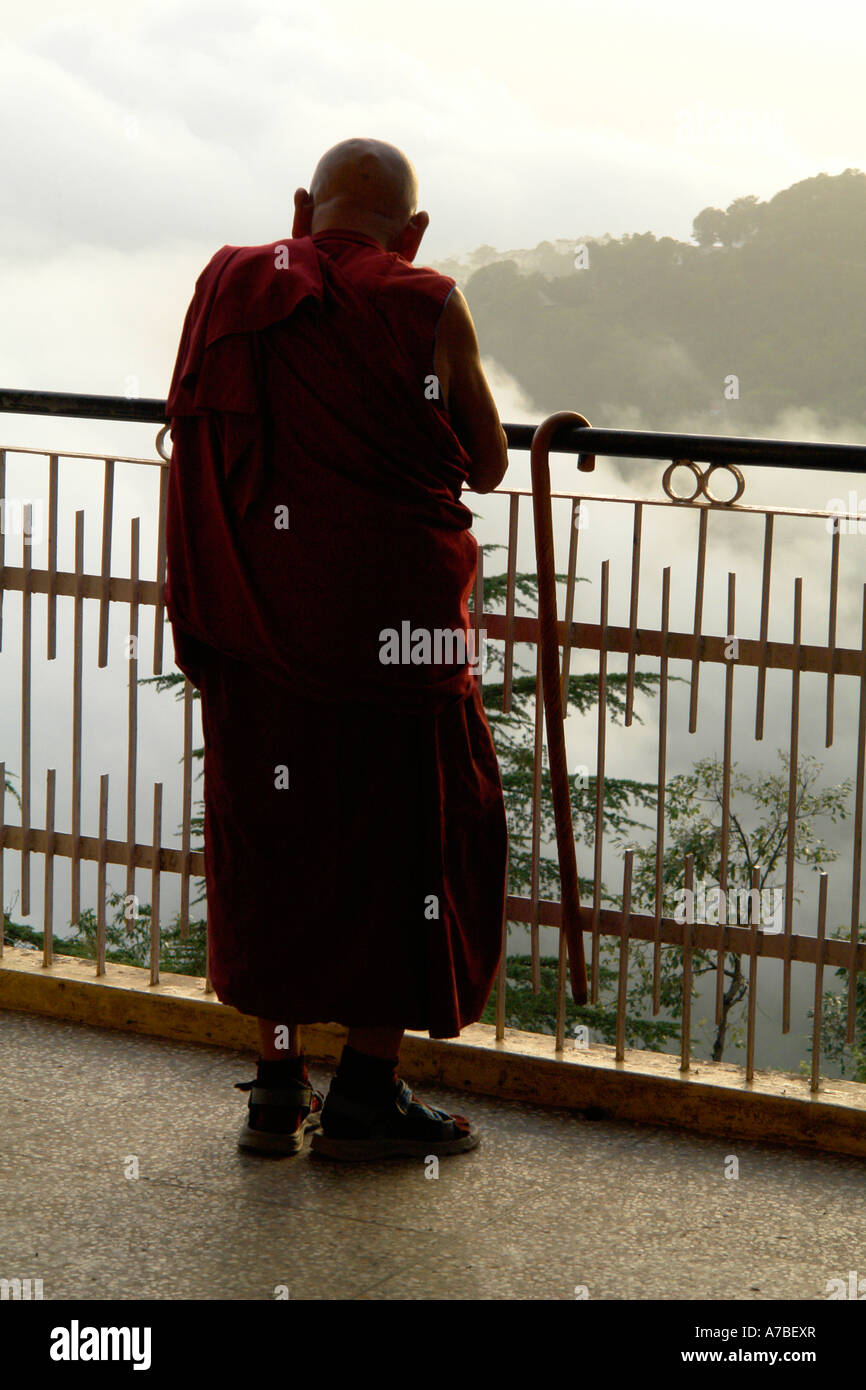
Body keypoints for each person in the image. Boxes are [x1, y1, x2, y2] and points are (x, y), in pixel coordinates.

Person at [164, 138, 509, 1162]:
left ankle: (276, 1093)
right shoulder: (423, 302)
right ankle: (366, 1091)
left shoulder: (229, 285)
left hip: (254, 631)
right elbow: (485, 460)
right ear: (411, 233)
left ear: (302, 207)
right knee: (407, 849)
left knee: (275, 852)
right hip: (392, 646)